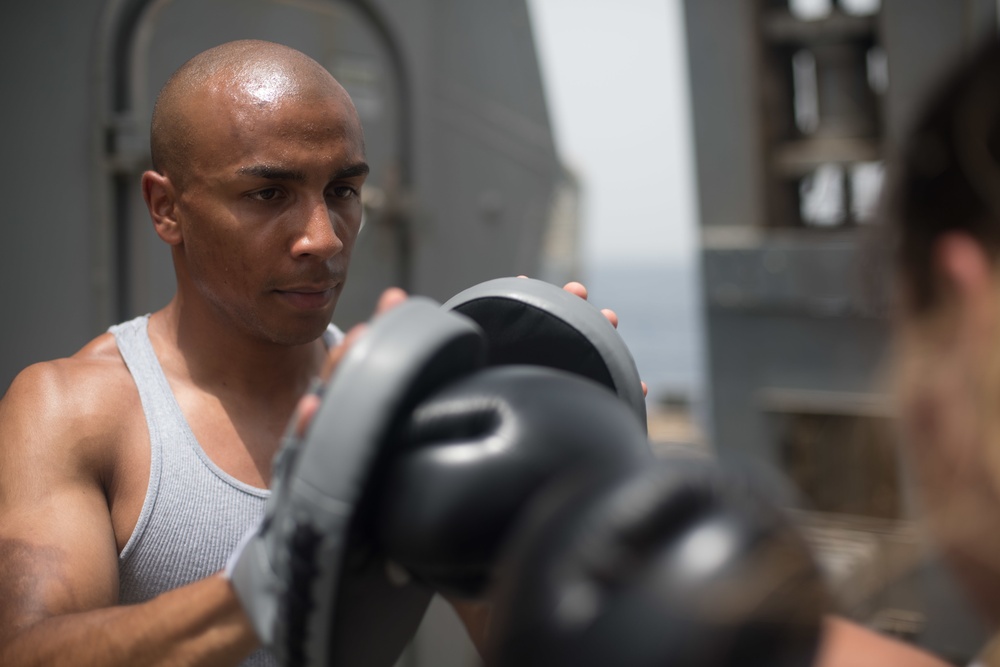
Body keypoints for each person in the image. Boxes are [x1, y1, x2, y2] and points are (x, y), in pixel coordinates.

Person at [0, 39, 622, 666]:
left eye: (343, 191)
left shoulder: (402, 406)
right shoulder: (75, 411)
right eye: (269, 194)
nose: (323, 240)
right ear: (167, 208)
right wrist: (265, 584)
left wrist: (563, 485)